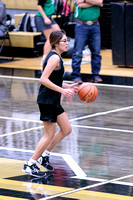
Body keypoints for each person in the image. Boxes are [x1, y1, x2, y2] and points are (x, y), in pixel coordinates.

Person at [22, 30, 78, 177]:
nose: (67, 43)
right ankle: (30, 164)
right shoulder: (54, 59)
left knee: (66, 129)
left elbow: (54, 79)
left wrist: (67, 86)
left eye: (67, 40)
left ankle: (44, 156)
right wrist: (62, 91)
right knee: (48, 135)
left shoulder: (56, 56)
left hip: (53, 100)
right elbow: (43, 79)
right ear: (55, 43)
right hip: (47, 101)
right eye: (64, 41)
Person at [71, 0, 103, 83]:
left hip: (95, 24)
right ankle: (76, 76)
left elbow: (100, 2)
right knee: (78, 52)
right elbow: (80, 4)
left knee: (96, 52)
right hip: (81, 25)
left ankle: (96, 75)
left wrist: (85, 0)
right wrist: (94, 2)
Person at [36, 0, 61, 67]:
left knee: (59, 35)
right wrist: (45, 18)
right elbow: (39, 6)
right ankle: (44, 60)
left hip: (50, 17)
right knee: (50, 38)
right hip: (43, 17)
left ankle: (54, 57)